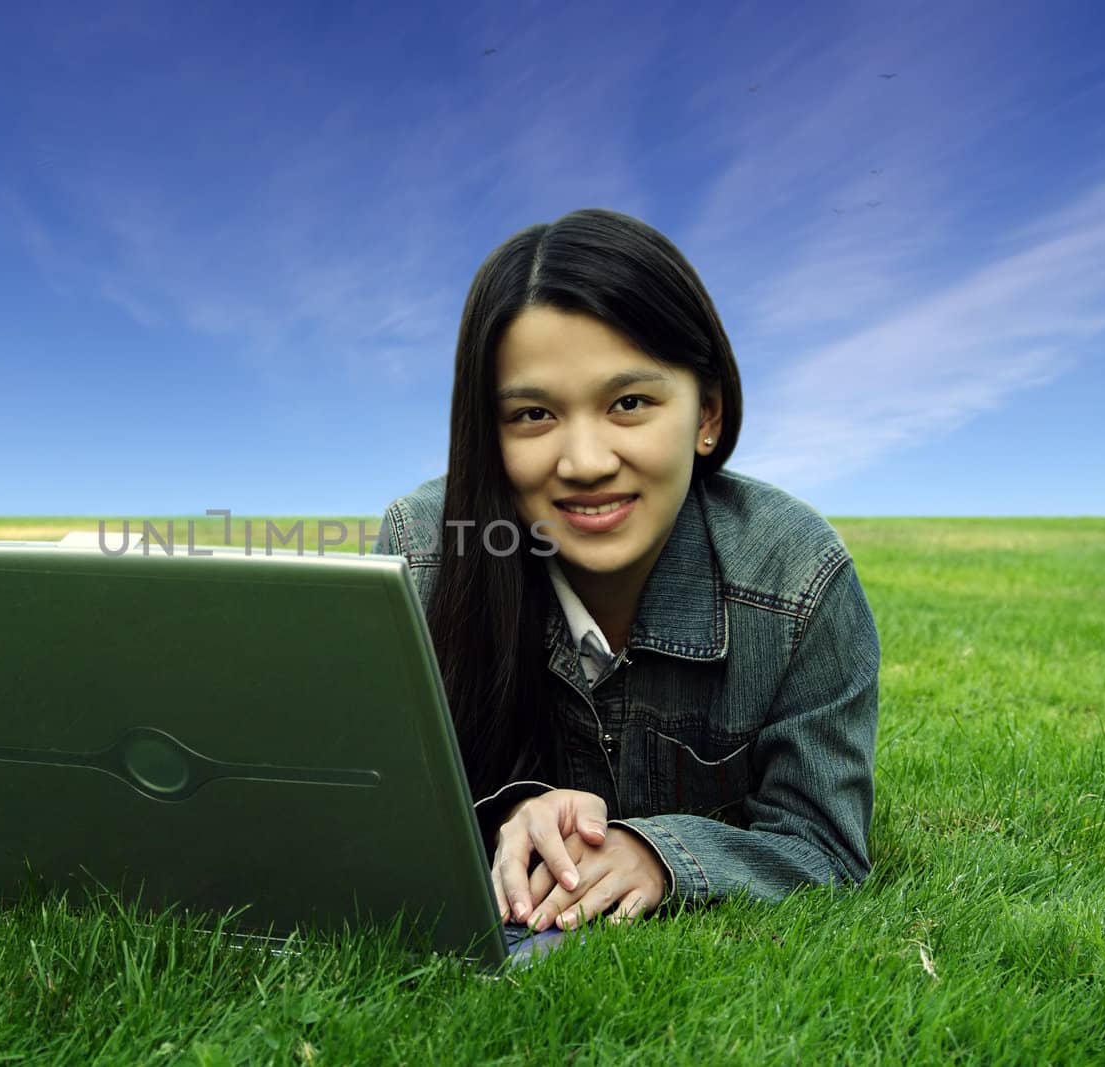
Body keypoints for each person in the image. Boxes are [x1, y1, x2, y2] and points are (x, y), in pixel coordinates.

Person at [371, 209, 880, 933]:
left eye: (629, 403)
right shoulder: (421, 552)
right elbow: (369, 810)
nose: (584, 462)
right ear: (488, 429)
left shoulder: (796, 576)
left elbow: (823, 841)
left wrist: (656, 852)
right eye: (533, 415)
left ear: (707, 413)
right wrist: (508, 813)